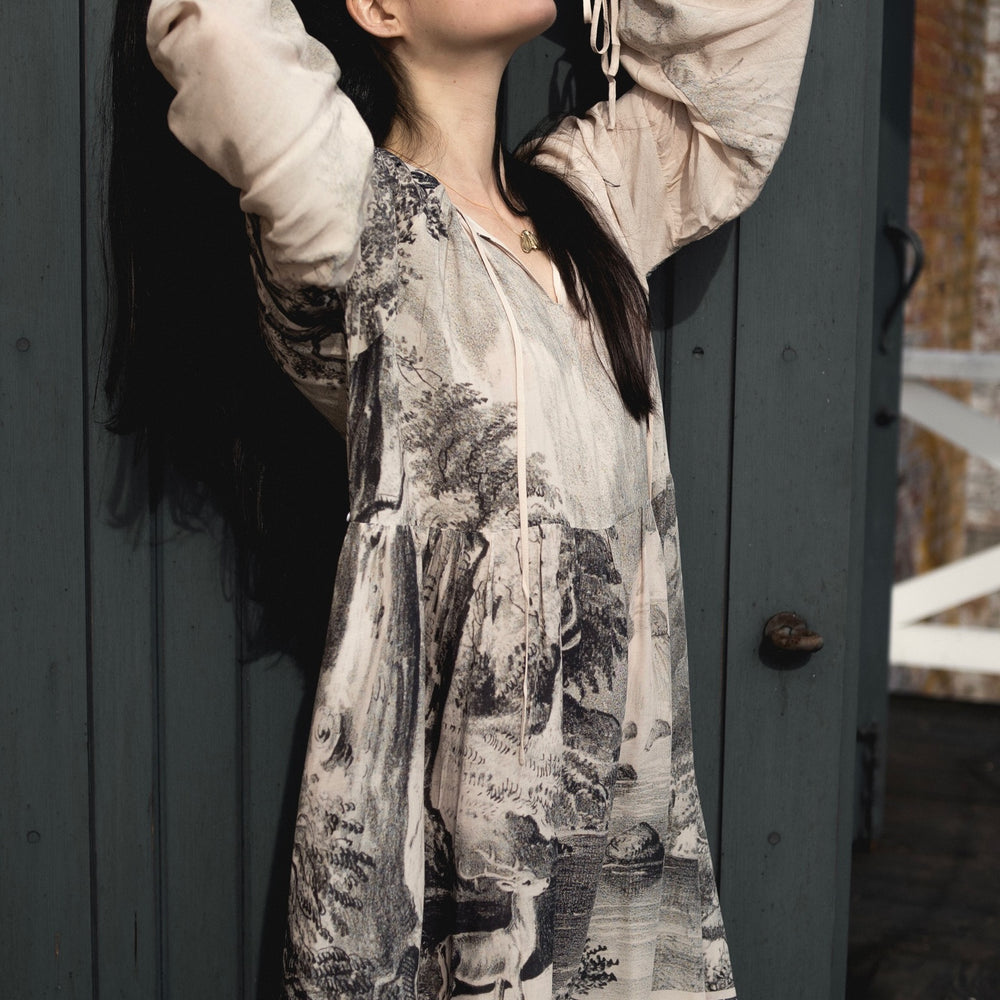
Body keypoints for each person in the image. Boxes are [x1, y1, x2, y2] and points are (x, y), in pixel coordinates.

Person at [110, 0, 813, 996]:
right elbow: (214, 24)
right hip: (472, 878)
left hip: (621, 858)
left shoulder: (593, 194)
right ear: (379, 8)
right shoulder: (352, 218)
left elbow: (751, 44)